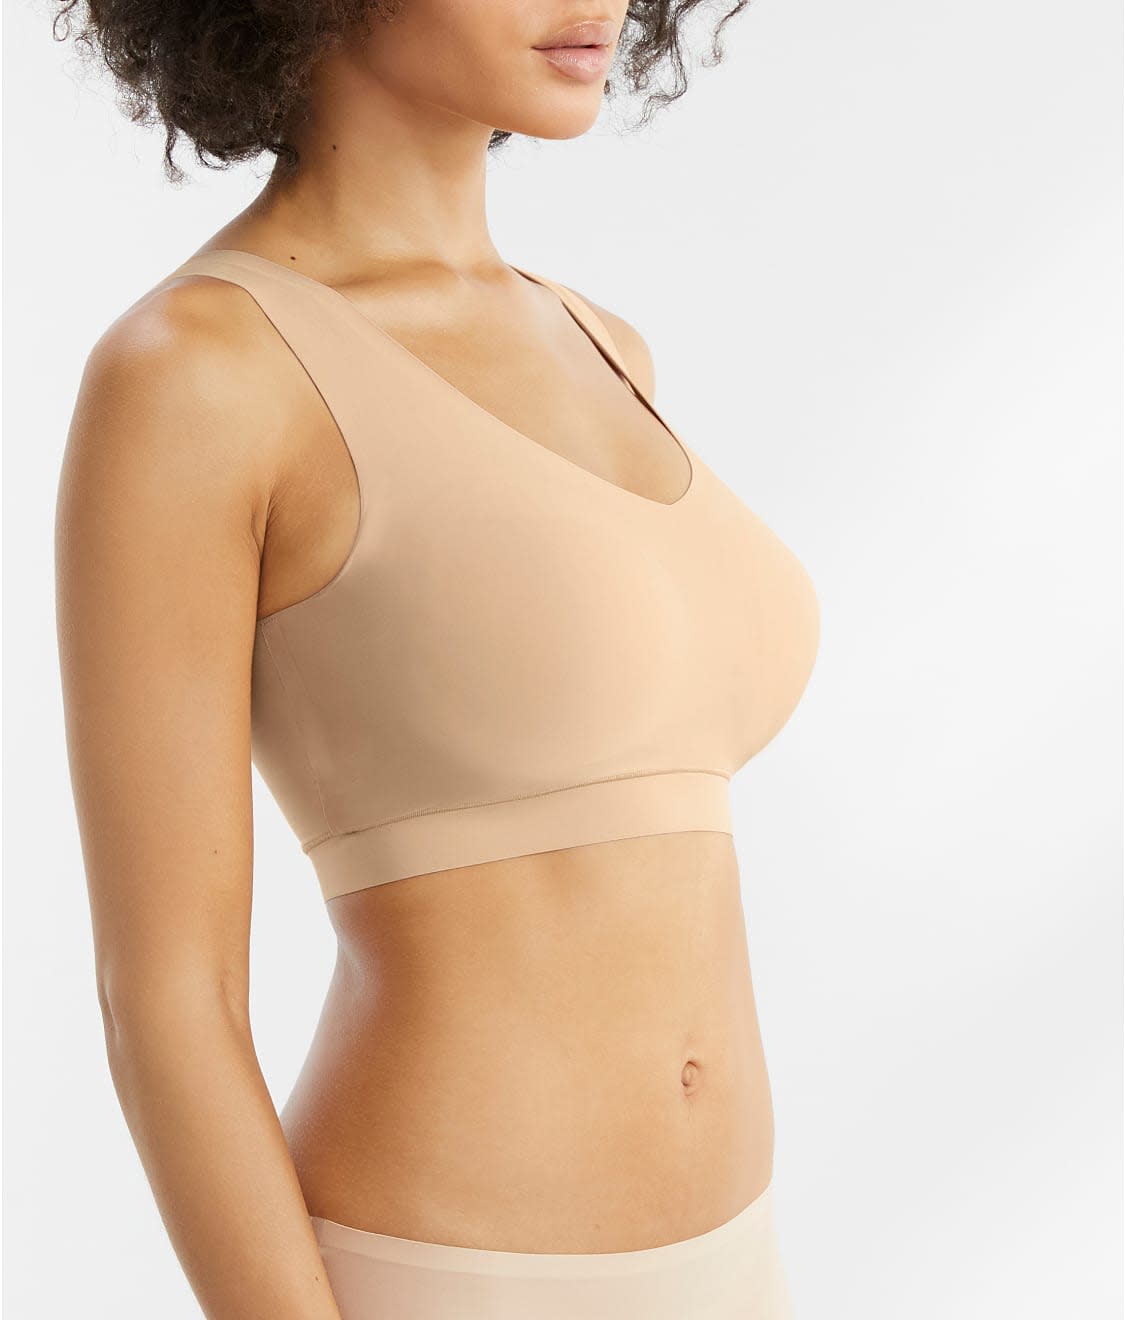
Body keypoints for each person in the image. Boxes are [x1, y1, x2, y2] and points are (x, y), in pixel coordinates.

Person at [53, 2, 820, 1315]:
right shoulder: (199, 374)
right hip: (449, 1274)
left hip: (737, 1262)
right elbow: (167, 999)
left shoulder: (598, 341)